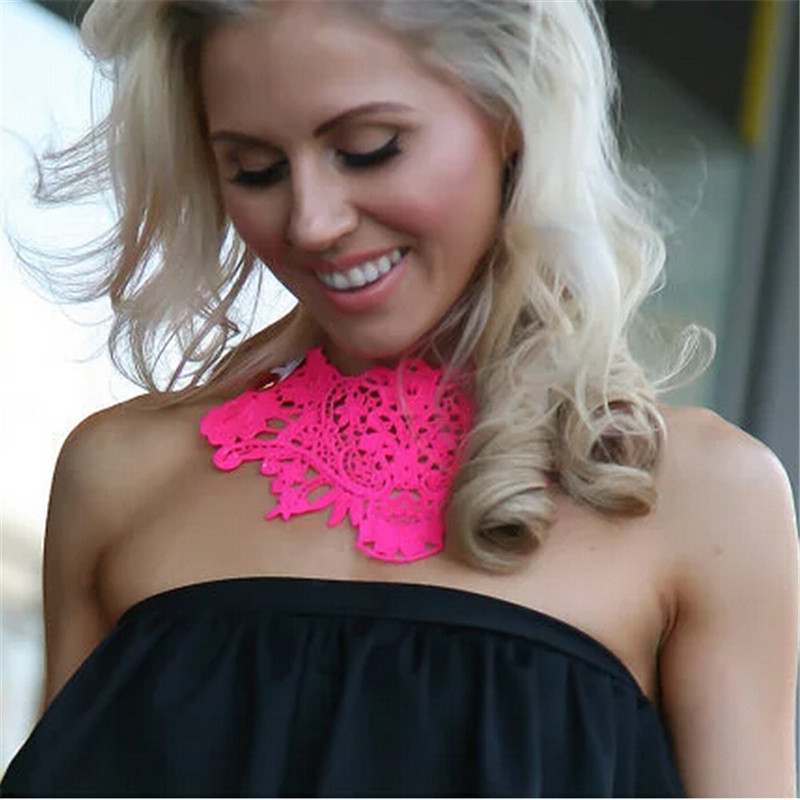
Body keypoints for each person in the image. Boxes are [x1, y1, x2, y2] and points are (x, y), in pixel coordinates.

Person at [2, 0, 797, 796]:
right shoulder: (121, 476)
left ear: (513, 117)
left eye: (368, 150)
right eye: (255, 168)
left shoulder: (704, 499)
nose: (311, 222)